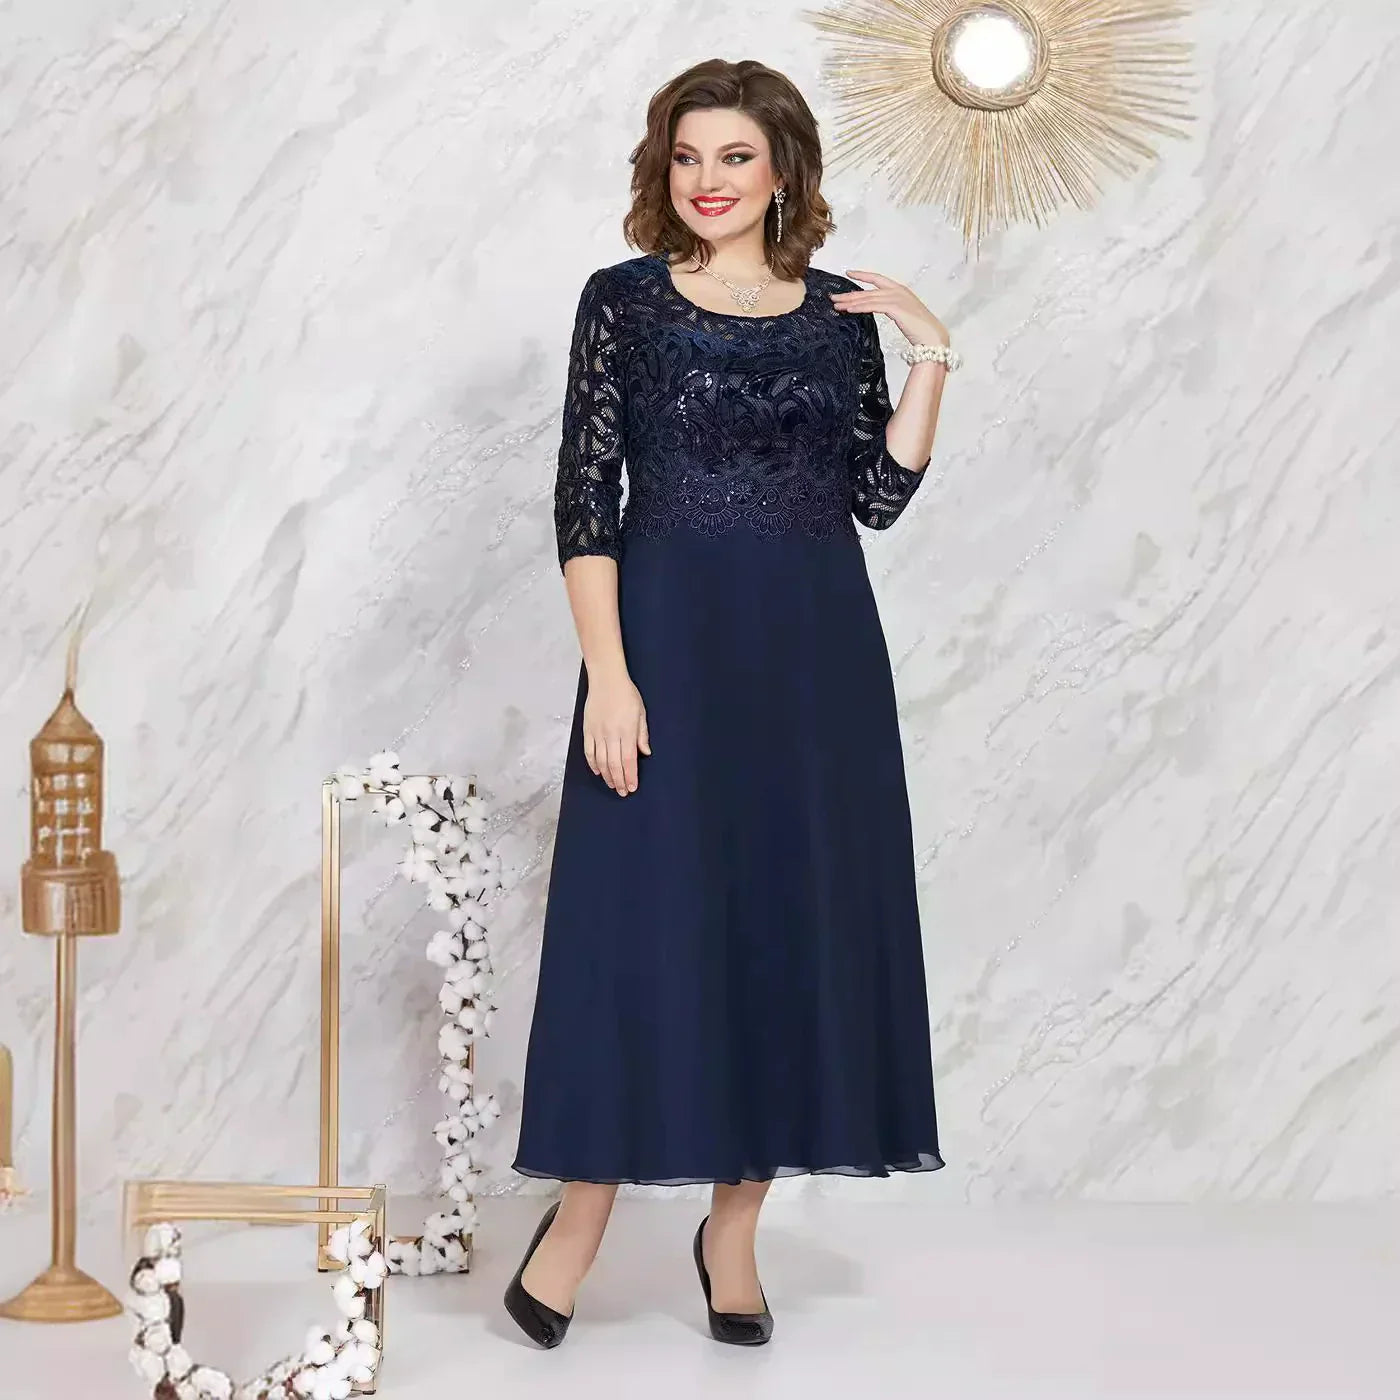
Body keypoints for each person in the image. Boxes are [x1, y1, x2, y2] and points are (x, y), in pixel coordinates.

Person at [504, 57, 957, 1350]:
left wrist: (930, 349)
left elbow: (876, 496)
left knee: (786, 927)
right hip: (665, 649)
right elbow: (585, 500)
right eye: (689, 155)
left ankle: (735, 1233)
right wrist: (609, 674)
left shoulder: (836, 315)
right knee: (634, 928)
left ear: (782, 171)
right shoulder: (625, 304)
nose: (709, 179)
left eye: (736, 157)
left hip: (815, 665)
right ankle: (579, 1221)